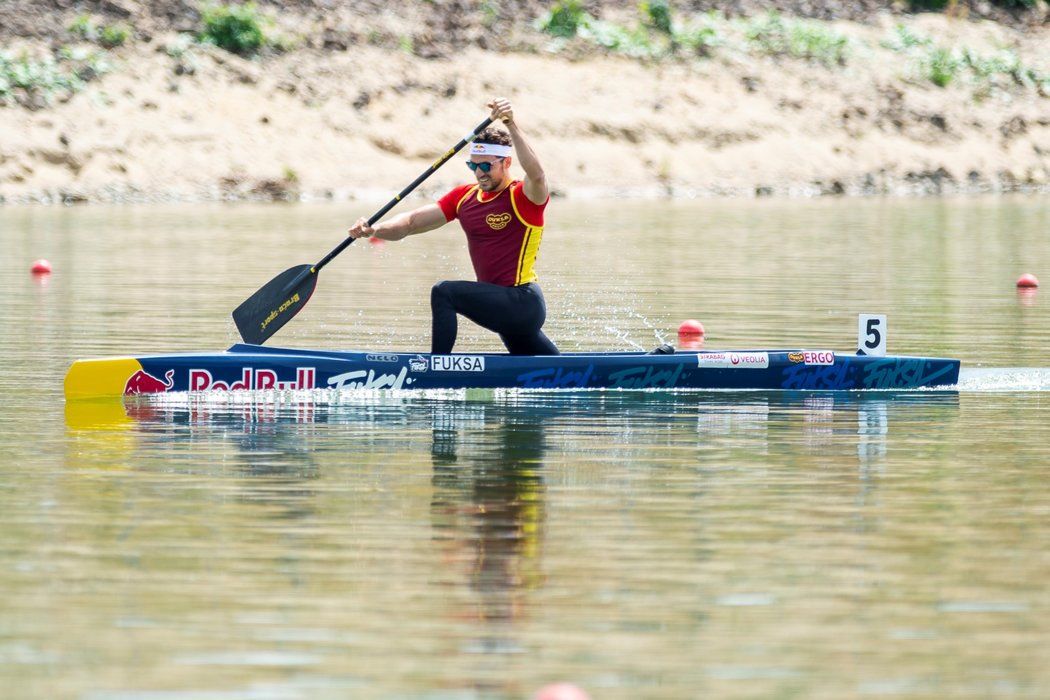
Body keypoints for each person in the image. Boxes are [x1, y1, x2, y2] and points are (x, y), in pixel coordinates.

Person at [347, 98, 559, 356]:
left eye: (486, 166)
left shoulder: (523, 198)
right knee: (547, 370)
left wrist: (511, 124)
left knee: (444, 292)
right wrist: (374, 229)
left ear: (506, 163)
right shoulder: (464, 197)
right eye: (473, 165)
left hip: (521, 303)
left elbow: (537, 175)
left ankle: (437, 367)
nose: (479, 173)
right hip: (500, 305)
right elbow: (411, 223)